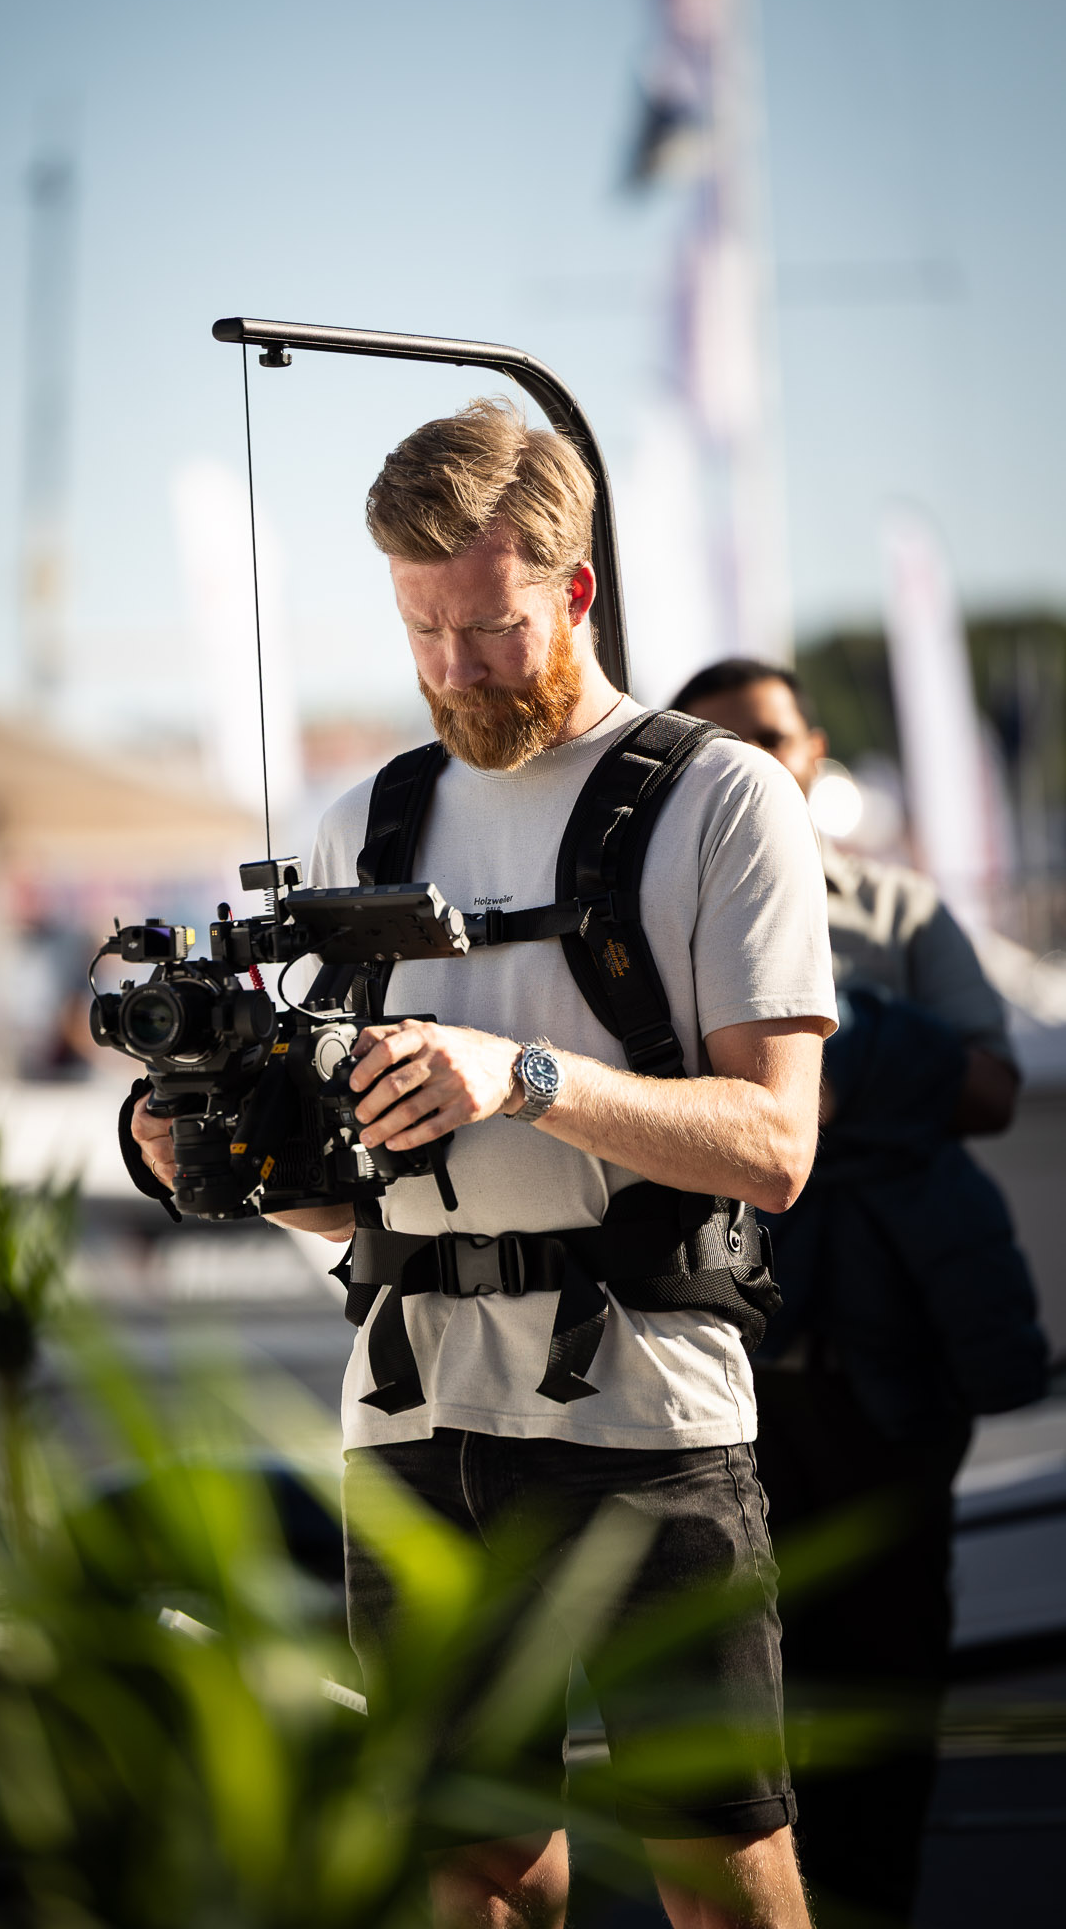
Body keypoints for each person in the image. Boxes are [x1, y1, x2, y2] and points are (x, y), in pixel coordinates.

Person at [132, 402, 837, 1929]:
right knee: (476, 1881)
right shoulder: (362, 821)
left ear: (575, 590)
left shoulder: (722, 798)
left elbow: (775, 1146)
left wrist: (515, 1077)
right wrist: (210, 1155)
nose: (454, 671)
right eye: (420, 632)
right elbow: (342, 1191)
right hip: (412, 1419)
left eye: (491, 628)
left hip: (652, 1418)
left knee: (719, 1876)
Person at [670, 657, 1047, 1921]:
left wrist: (844, 1048)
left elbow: (988, 1090)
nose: (752, 761)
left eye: (770, 736)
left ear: (816, 749)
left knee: (886, 1697)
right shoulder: (654, 911)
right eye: (717, 742)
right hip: (716, 1387)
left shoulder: (896, 908)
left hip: (882, 1382)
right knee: (743, 1713)